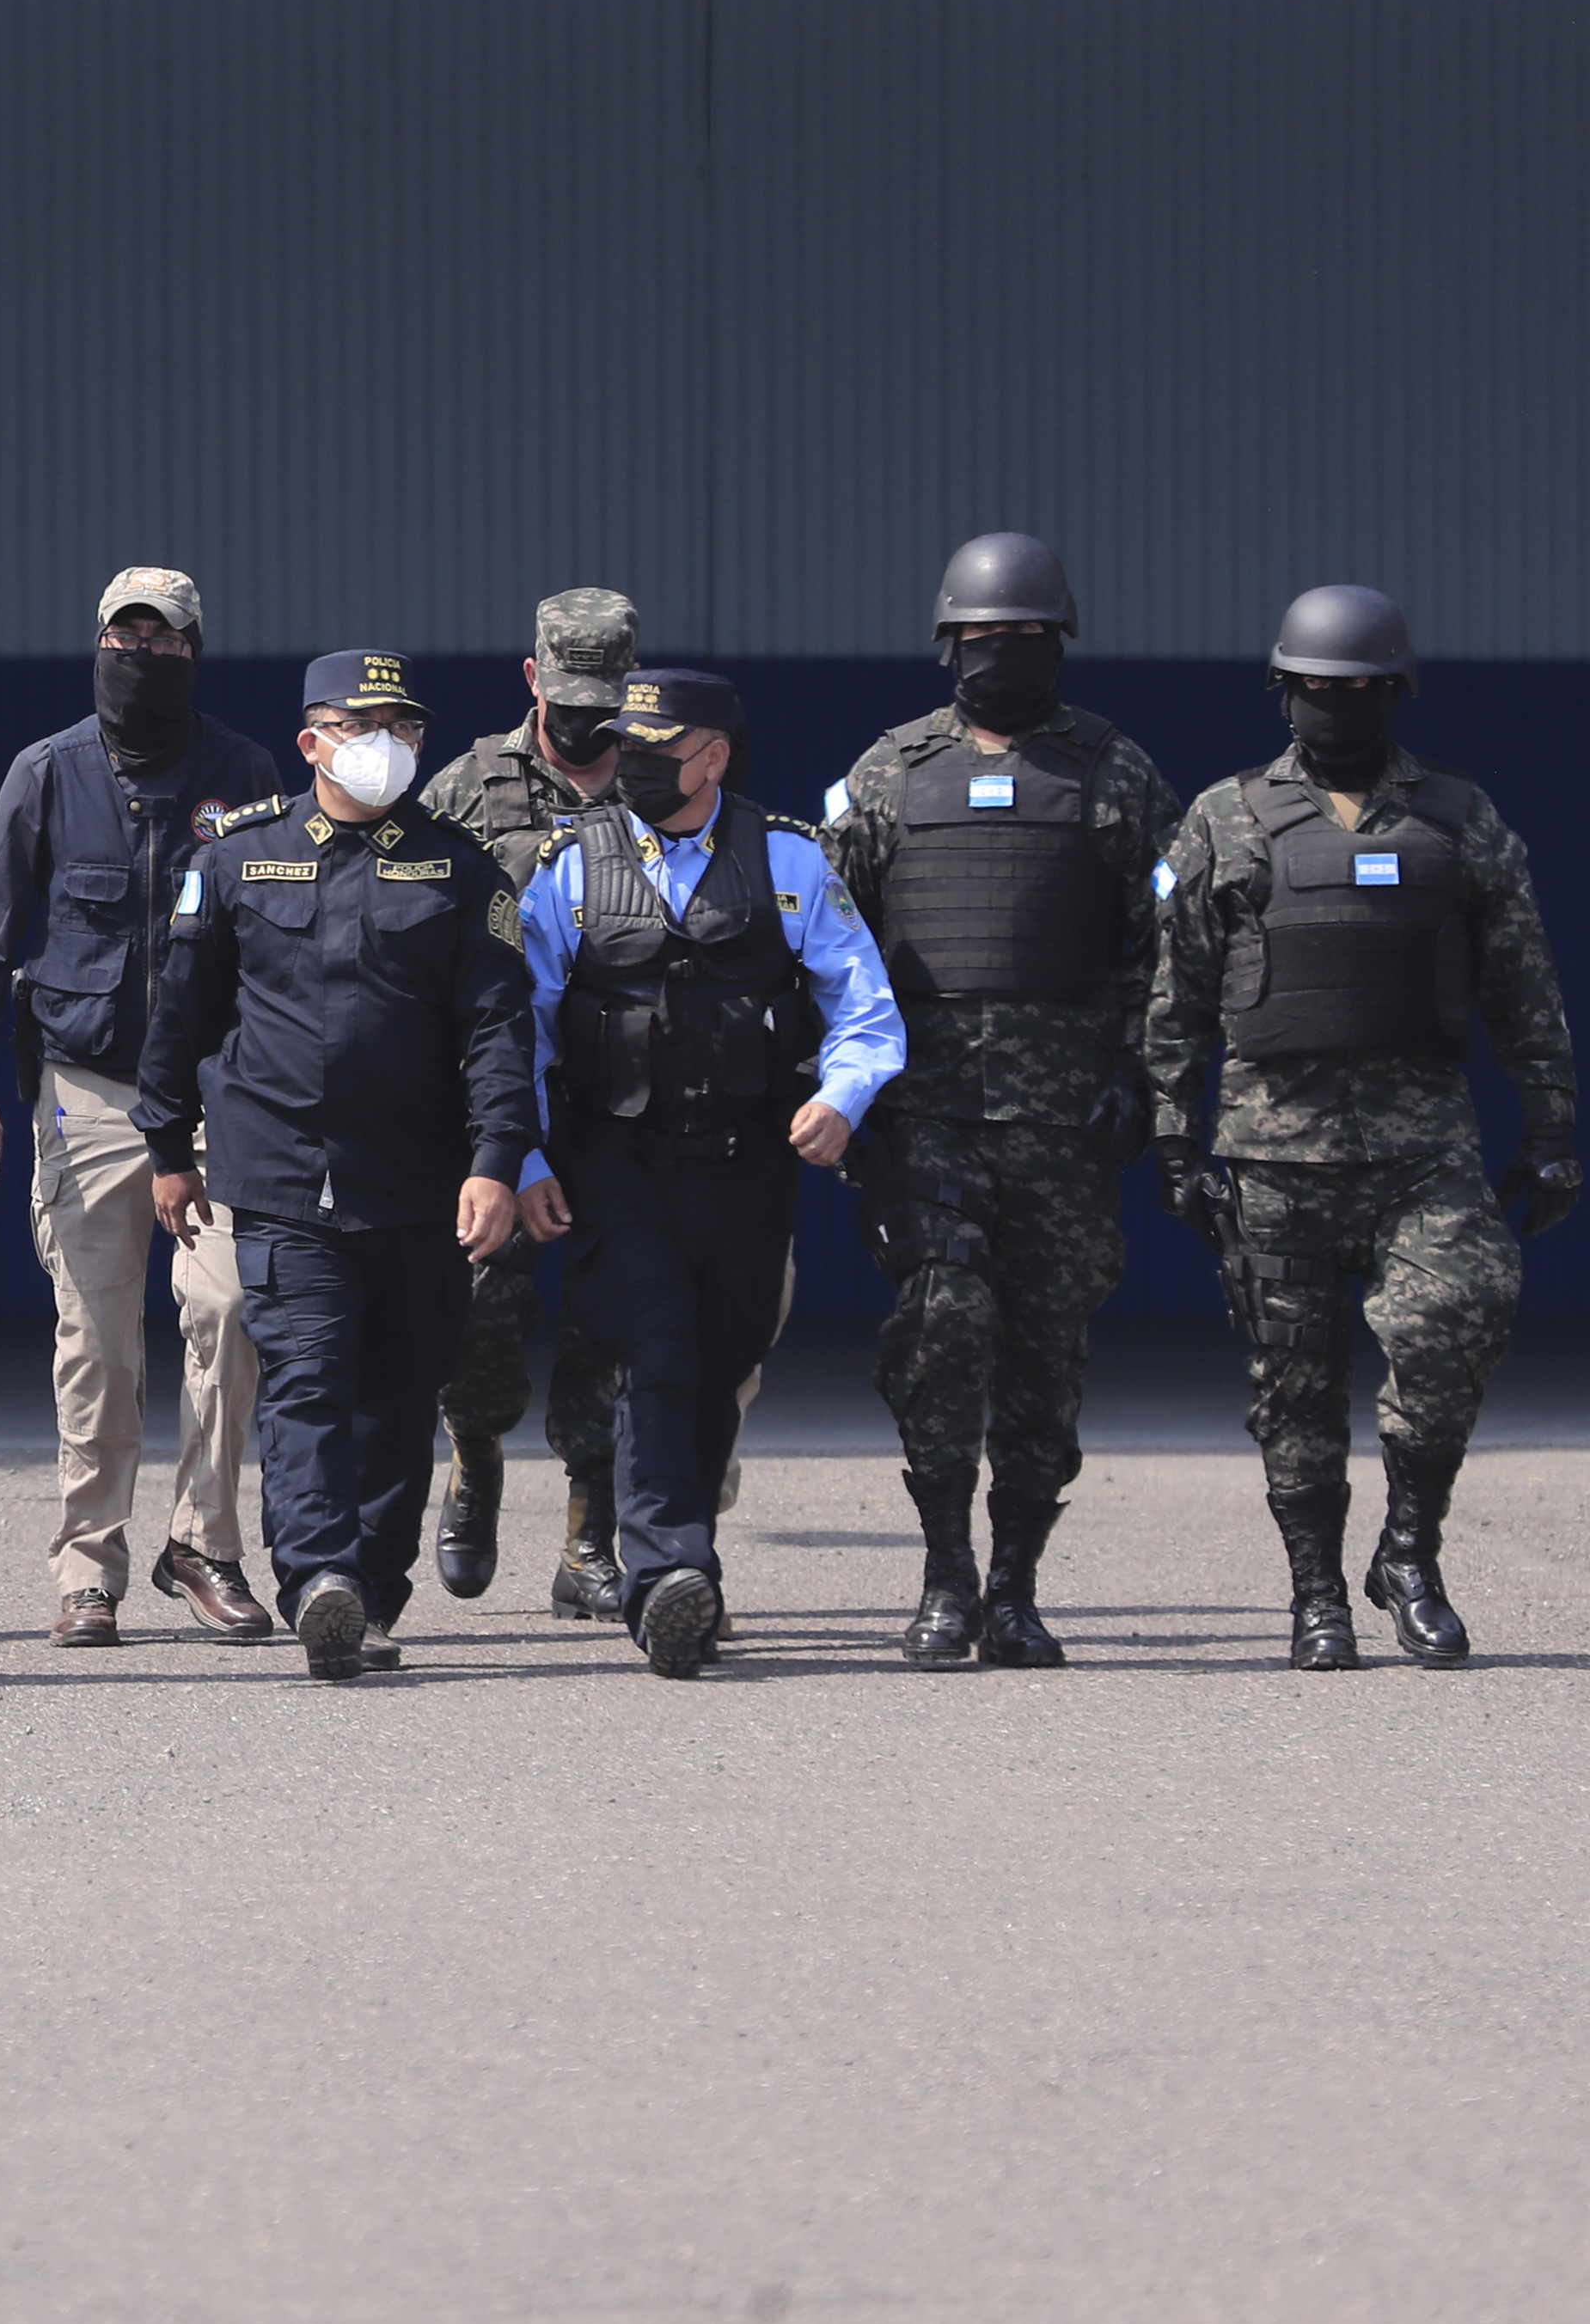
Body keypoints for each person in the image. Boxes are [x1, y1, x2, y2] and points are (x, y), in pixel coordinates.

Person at [1142, 585, 1576, 1673]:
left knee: (1458, 1315)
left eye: (1360, 690)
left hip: (1420, 1147)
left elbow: (1521, 983)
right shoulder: (1224, 818)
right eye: (1318, 690)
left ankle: (1408, 1553)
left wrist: (1554, 1122)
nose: (1337, 707)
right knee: (1291, 1388)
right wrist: (1169, 1132)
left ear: (1395, 693)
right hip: (1270, 1153)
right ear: (1283, 693)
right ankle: (1313, 1596)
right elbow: (1177, 990)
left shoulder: (1455, 818)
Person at [138, 652, 536, 1681]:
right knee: (307, 1382)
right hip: (277, 1175)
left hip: (415, 1178)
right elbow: (179, 1012)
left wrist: (496, 1158)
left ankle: (371, 1584)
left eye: (405, 726)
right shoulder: (236, 858)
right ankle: (320, 1578)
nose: (390, 743)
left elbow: (496, 1027)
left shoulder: (460, 867)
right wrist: (164, 1143)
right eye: (366, 724)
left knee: (399, 1393)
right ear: (312, 740)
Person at [821, 535, 1182, 1668]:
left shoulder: (1116, 776)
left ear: (1058, 645)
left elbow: (1169, 946)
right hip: (926, 1119)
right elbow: (832, 944)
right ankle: (945, 1573)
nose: (1005, 656)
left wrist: (1140, 1073)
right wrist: (850, 1090)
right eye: (986, 640)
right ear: (949, 648)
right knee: (941, 1325)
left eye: (1027, 638)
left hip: (1064, 1128)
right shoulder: (888, 775)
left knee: (1044, 1355)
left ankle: (1017, 1587)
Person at [515, 670, 901, 1678]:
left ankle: (681, 1564)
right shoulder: (567, 865)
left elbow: (865, 1009)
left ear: (714, 756)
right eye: (623, 743)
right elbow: (518, 1023)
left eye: (655, 745)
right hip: (615, 1165)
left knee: (719, 1360)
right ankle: (665, 1573)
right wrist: (517, 1156)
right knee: (654, 1354)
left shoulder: (787, 861)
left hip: (742, 1170)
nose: (629, 761)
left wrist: (840, 1097)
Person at [0, 565, 282, 1649]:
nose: (140, 654)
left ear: (195, 650)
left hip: (214, 1101)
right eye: (123, 635)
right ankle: (88, 1567)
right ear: (96, 642)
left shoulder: (243, 772)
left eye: (164, 638)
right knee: (95, 1341)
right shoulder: (43, 772)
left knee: (228, 1312)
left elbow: (273, 940)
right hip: (86, 1094)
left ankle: (203, 1543)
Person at [417, 588, 638, 1620]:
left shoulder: (659, 778)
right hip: (494, 1099)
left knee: (608, 1324)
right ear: (530, 678)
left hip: (617, 1101)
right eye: (566, 696)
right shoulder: (466, 786)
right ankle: (472, 1460)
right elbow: (413, 931)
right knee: (482, 1315)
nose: (585, 721)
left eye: (604, 698)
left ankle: (588, 1537)